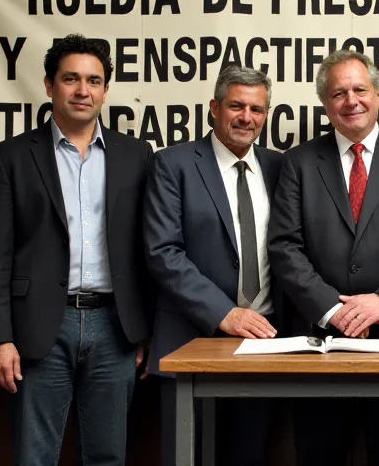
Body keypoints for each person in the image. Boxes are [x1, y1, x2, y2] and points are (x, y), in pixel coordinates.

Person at [0, 34, 154, 465]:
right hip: (38, 329)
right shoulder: (12, 157)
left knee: (108, 456)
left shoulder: (137, 155)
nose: (82, 90)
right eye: (71, 79)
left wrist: (145, 328)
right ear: (49, 85)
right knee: (34, 456)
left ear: (106, 90)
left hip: (115, 328)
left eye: (94, 81)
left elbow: (145, 250)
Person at [267, 49, 379, 466]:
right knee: (320, 453)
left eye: (360, 90)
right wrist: (332, 309)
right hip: (320, 340)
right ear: (326, 104)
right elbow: (284, 245)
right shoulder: (298, 162)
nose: (351, 101)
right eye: (338, 93)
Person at [145, 65, 284, 466]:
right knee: (189, 456)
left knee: (249, 455)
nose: (247, 117)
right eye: (236, 106)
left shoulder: (279, 168)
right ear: (214, 108)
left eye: (257, 109)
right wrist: (224, 312)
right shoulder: (173, 164)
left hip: (265, 342)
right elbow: (163, 252)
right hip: (191, 339)